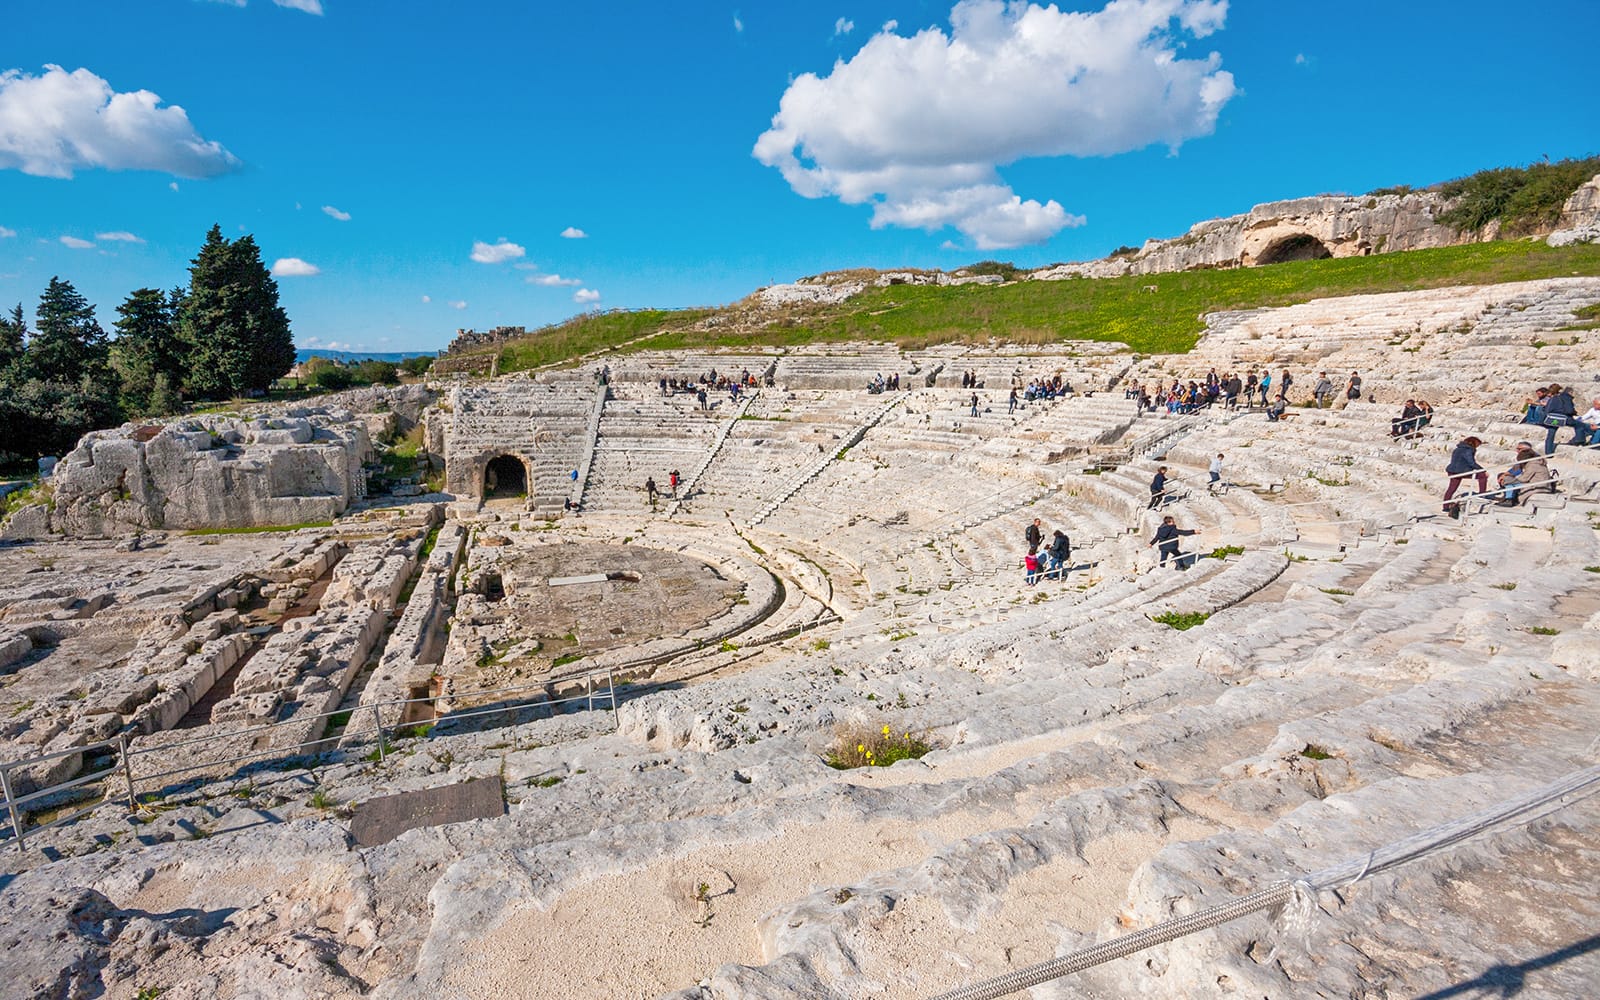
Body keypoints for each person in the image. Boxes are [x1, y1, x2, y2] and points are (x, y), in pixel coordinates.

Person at [1498, 441, 1552, 506]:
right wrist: (1506, 475)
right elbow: (1515, 469)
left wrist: (1510, 478)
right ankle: (1508, 498)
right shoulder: (1531, 459)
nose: (1517, 451)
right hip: (1533, 482)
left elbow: (1524, 478)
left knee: (1509, 482)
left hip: (1538, 485)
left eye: (1519, 449)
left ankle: (1509, 499)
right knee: (1506, 478)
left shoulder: (1532, 463)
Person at [1442, 437, 1485, 519]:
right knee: (1483, 476)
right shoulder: (1469, 450)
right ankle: (1482, 495)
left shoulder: (1457, 449)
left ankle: (1445, 507)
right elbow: (1471, 462)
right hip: (1462, 471)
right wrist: (1482, 469)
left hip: (1452, 471)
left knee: (1451, 489)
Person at [1543, 385, 1576, 455]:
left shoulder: (1552, 399)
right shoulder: (1566, 398)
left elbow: (1547, 410)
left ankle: (1548, 452)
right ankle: (1579, 441)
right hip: (1564, 418)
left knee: (1550, 435)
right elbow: (1570, 410)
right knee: (1580, 426)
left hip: (1553, 418)